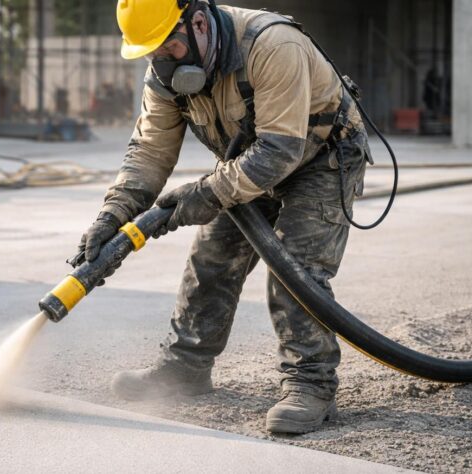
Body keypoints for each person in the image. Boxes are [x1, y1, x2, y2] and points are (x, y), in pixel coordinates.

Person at [69, 0, 372, 434]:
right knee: (212, 257)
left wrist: (204, 194)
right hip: (249, 159)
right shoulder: (164, 75)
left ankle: (311, 384)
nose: (163, 62)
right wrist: (113, 213)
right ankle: (186, 367)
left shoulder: (272, 45)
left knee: (296, 269)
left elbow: (279, 151)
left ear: (197, 22)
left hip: (320, 157)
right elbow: (149, 152)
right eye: (152, 53)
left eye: (168, 47)